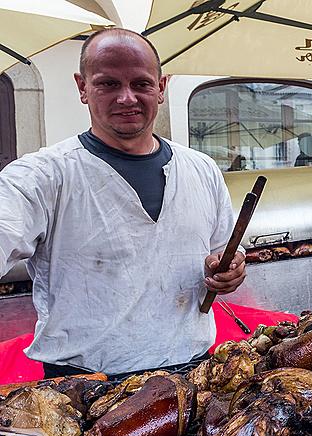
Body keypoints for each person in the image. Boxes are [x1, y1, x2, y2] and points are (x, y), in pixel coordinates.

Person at [0, 28, 245, 376]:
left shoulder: (201, 169)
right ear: (82, 87)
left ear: (161, 87)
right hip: (84, 383)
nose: (127, 98)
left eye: (141, 84)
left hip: (191, 372)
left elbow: (224, 251)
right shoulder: (42, 175)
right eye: (108, 84)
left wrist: (229, 268)